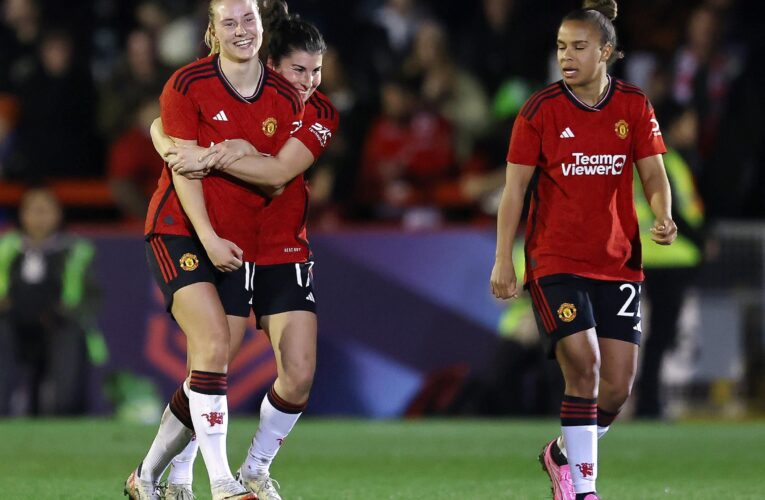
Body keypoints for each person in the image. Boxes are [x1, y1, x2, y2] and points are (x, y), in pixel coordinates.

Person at [489, 1, 676, 499]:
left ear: (606, 52)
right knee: (585, 366)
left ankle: (563, 454)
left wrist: (662, 213)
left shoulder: (633, 105)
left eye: (578, 47)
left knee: (616, 388)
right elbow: (514, 191)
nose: (566, 57)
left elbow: (654, 172)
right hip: (555, 263)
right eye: (560, 48)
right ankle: (584, 489)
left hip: (617, 262)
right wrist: (504, 256)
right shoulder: (540, 110)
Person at [151, 3, 337, 498]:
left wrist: (217, 153)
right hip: (237, 241)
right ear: (273, 65)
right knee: (212, 361)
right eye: (299, 70)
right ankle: (179, 475)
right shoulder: (225, 85)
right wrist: (178, 144)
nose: (309, 82)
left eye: (317, 71)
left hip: (286, 249)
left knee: (298, 373)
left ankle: (254, 466)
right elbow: (166, 123)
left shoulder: (316, 113)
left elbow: (276, 176)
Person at [0, 186, 100, 415]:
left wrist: (65, 312)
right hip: (12, 324)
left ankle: (64, 410)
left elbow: (92, 297)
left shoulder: (76, 249)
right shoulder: (5, 247)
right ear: (22, 214)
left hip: (59, 324)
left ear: (58, 214)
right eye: (33, 210)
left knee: (69, 334)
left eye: (45, 211)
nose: (39, 218)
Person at [634, 101, 704, 418]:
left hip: (660, 256)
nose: (694, 131)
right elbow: (668, 209)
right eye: (689, 123)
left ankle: (648, 400)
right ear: (674, 126)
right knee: (661, 333)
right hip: (668, 257)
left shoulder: (669, 158)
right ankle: (648, 403)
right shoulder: (660, 158)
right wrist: (702, 240)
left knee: (658, 333)